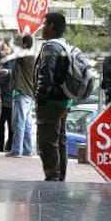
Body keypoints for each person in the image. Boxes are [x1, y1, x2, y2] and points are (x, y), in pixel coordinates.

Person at [34, 12, 71, 181]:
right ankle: (59, 178)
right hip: (64, 101)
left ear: (51, 26)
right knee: (60, 141)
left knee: (47, 143)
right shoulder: (64, 44)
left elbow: (45, 73)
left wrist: (40, 97)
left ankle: (52, 179)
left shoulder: (50, 47)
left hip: (51, 102)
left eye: (44, 24)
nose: (42, 28)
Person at [6, 34, 35, 157]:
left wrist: (15, 39)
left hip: (22, 93)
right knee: (26, 123)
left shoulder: (26, 55)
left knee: (19, 122)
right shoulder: (30, 57)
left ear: (25, 44)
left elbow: (15, 50)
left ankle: (17, 149)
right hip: (28, 94)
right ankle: (28, 149)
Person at [0, 39, 15, 152]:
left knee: (12, 129)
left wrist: (9, 73)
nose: (3, 51)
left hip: (11, 99)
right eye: (1, 49)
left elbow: (18, 75)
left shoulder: (14, 61)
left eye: (5, 49)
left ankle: (10, 148)